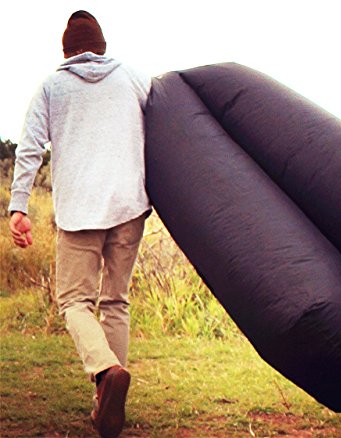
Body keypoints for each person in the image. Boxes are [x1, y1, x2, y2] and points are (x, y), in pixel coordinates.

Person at [8, 10, 151, 438]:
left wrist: (19, 205)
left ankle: (105, 372)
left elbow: (30, 148)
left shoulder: (53, 87)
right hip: (129, 206)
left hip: (80, 212)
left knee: (74, 302)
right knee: (116, 301)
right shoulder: (133, 78)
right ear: (102, 48)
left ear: (66, 52)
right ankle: (105, 398)